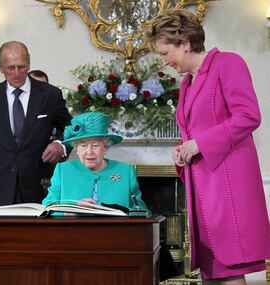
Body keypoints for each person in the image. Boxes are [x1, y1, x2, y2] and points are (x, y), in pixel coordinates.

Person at [144, 9, 270, 284]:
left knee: (229, 269)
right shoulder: (188, 82)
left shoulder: (227, 63)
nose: (164, 61)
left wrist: (199, 144)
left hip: (228, 185)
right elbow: (194, 131)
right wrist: (182, 149)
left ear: (186, 43)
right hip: (203, 187)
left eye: (165, 53)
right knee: (211, 272)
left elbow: (248, 116)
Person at [0, 41, 72, 206]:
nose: (17, 73)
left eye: (22, 66)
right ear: (0, 67)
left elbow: (70, 128)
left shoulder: (50, 95)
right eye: (11, 68)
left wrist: (61, 145)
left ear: (29, 63)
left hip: (38, 185)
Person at [42, 112, 147, 211]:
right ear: (76, 149)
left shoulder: (125, 171)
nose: (89, 151)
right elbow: (47, 208)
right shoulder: (63, 170)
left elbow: (141, 211)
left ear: (105, 147)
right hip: (71, 229)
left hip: (115, 229)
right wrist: (72, 210)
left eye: (95, 145)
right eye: (83, 145)